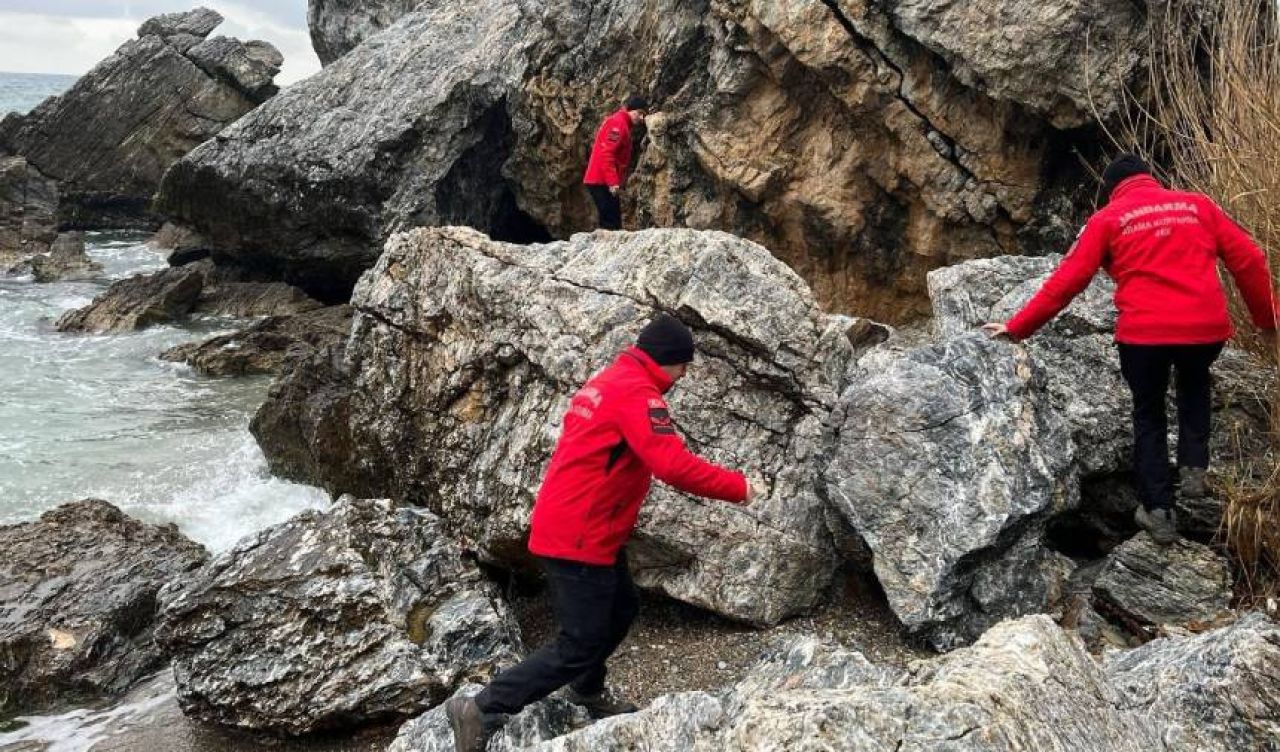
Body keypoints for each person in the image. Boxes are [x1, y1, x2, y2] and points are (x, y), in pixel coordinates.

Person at [446, 314, 754, 752]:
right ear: (664, 360)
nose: (685, 373)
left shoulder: (611, 379)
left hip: (586, 528)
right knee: (578, 643)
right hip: (579, 537)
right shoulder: (637, 395)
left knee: (621, 608)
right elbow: (672, 465)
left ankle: (587, 690)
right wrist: (740, 488)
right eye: (683, 364)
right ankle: (481, 709)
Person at [983, 154, 1277, 546]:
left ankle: (1158, 512)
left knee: (1149, 413)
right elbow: (1250, 258)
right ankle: (1193, 469)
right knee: (1195, 382)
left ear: (1111, 190)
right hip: (1204, 329)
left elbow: (1067, 281)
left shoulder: (1108, 219)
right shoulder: (1197, 206)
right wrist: (1267, 321)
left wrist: (1018, 327)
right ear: (1150, 180)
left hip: (1144, 336)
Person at [582, 95, 649, 230]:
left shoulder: (621, 123)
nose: (641, 118)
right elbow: (607, 153)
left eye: (644, 115)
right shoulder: (618, 124)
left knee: (611, 221)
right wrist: (612, 182)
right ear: (630, 110)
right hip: (601, 181)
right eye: (639, 113)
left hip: (602, 180)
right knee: (611, 223)